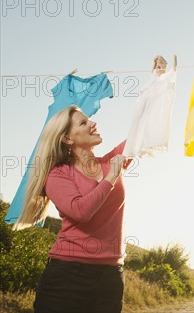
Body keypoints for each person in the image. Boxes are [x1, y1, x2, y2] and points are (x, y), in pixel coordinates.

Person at [13, 104, 131, 313]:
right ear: (67, 138)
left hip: (110, 278)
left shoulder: (109, 162)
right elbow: (80, 211)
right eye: (84, 122)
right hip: (67, 277)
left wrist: (160, 81)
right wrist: (111, 177)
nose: (93, 123)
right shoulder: (58, 175)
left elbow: (144, 131)